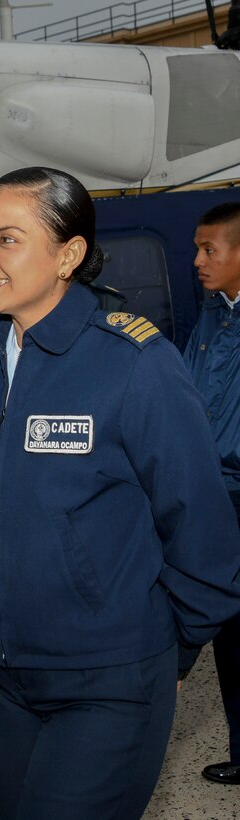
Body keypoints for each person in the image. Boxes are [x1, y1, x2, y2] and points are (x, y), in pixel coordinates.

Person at [0, 167, 240, 819]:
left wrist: (166, 646)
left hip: (107, 678)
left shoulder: (132, 363)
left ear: (67, 254)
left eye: (7, 239)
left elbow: (202, 526)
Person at [183, 201, 240, 786]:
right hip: (214, 495)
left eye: (209, 250)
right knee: (232, 638)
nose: (197, 261)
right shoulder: (212, 316)